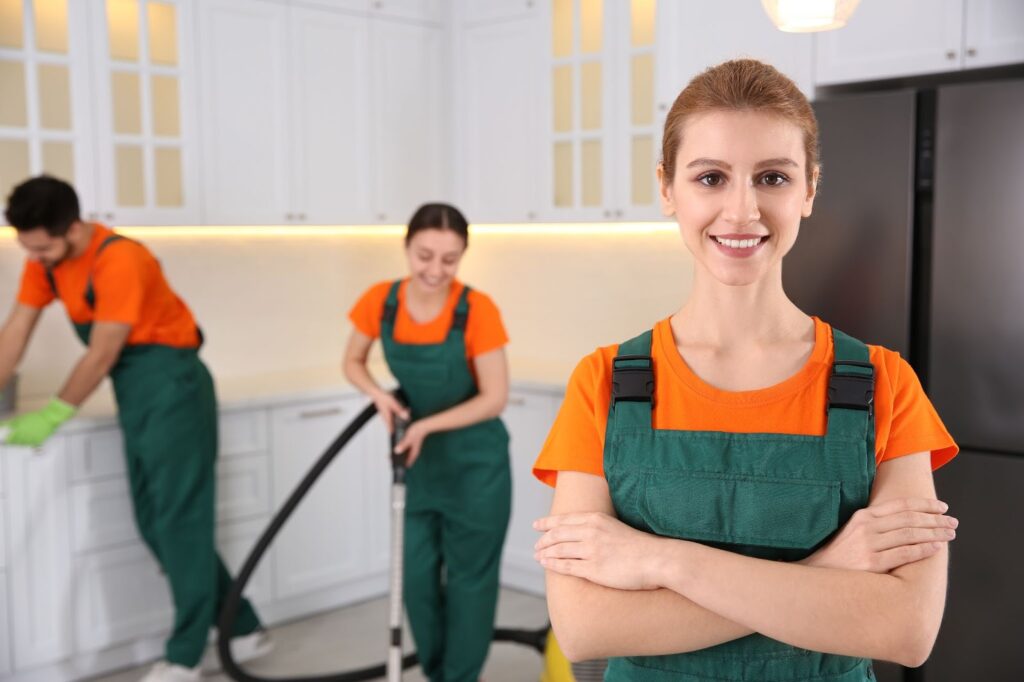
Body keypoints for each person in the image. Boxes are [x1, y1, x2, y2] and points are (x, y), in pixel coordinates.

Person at [531, 59, 959, 681]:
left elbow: (904, 629)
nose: (741, 210)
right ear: (667, 189)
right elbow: (586, 628)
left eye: (772, 178)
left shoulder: (884, 385)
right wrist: (825, 574)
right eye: (710, 177)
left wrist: (660, 562)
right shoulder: (605, 385)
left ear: (809, 189)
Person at [0, 176, 270, 682]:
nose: (35, 258)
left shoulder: (120, 260)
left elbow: (103, 351)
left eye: (42, 248)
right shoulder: (48, 263)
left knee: (180, 522)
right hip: (137, 392)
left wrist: (55, 412)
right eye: (28, 249)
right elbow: (16, 329)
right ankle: (244, 625)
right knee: (155, 522)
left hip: (173, 387)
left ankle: (186, 654)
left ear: (73, 229)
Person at [343, 203, 512, 682]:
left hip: (476, 467)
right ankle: (437, 673)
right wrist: (378, 396)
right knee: (415, 580)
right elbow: (353, 360)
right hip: (418, 467)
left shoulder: (476, 309)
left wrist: (423, 426)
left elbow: (495, 398)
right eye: (424, 256)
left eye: (449, 259)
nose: (435, 270)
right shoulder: (382, 301)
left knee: (469, 587)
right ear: (406, 247)